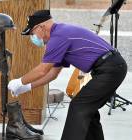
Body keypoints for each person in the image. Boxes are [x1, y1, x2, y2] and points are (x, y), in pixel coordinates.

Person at [8, 10, 127, 140]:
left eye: (32, 33)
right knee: (87, 109)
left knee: (79, 106)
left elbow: (43, 69)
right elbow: (53, 73)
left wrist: (19, 81)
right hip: (111, 67)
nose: (33, 37)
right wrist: (28, 86)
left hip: (110, 68)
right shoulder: (61, 33)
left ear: (41, 27)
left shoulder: (58, 37)